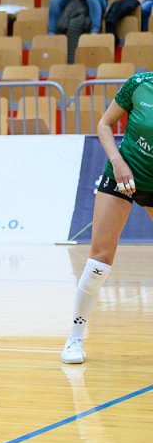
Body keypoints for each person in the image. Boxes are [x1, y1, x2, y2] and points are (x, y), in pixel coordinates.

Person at [61, 70, 153, 365]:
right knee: (98, 263)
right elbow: (104, 124)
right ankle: (75, 338)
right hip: (121, 176)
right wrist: (117, 162)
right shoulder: (139, 84)